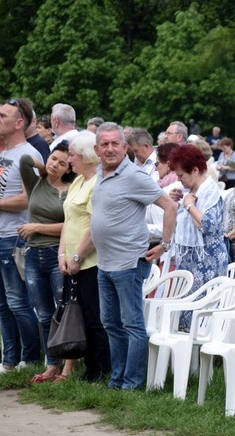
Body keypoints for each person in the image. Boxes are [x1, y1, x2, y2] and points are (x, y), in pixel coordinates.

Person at [90, 122, 178, 390]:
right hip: (104, 263)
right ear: (96, 149)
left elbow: (170, 205)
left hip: (128, 263)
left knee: (132, 326)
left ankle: (132, 383)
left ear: (125, 147)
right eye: (104, 144)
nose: (110, 149)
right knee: (111, 325)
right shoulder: (100, 174)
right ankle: (117, 380)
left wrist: (164, 244)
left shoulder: (134, 176)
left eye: (115, 143)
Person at [0, 98, 43, 381]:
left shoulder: (28, 155)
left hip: (13, 238)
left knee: (17, 302)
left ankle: (28, 358)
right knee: (2, 304)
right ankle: (9, 361)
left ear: (19, 123)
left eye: (3, 115)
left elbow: (32, 198)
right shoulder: (3, 155)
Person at [19, 141, 73, 383]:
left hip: (58, 255)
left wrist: (38, 227)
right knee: (43, 314)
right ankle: (51, 364)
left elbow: (71, 226)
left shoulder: (72, 190)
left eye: (62, 163)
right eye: (54, 159)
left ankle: (67, 365)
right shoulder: (36, 183)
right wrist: (44, 168)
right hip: (33, 255)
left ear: (68, 169)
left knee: (62, 312)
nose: (56, 165)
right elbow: (24, 161)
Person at [58, 131, 110, 382]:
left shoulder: (96, 184)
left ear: (87, 157)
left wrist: (77, 256)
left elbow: (93, 226)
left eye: (72, 155)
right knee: (77, 314)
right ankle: (87, 368)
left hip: (91, 261)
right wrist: (62, 253)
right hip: (71, 260)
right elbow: (67, 221)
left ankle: (98, 371)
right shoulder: (77, 182)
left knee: (93, 317)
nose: (69, 160)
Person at [169, 144, 228, 302]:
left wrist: (189, 206)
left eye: (181, 176)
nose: (179, 180)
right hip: (190, 261)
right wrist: (177, 203)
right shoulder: (191, 192)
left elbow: (209, 226)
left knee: (201, 316)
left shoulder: (210, 191)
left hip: (207, 263)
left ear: (195, 170)